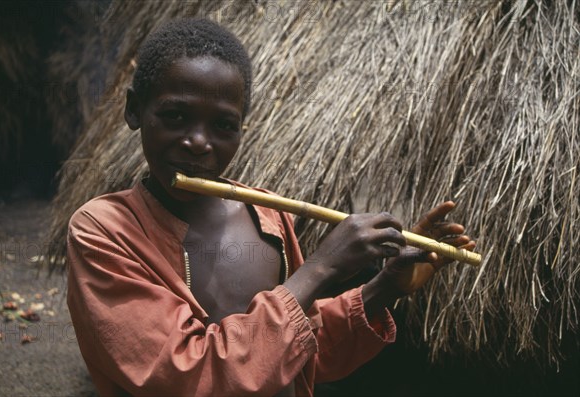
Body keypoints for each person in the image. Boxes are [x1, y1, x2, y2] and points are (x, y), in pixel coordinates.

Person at [66, 18, 475, 397]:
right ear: (134, 109)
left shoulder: (267, 218)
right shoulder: (103, 231)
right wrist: (320, 269)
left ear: (243, 127)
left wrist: (384, 287)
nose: (198, 142)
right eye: (175, 116)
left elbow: (299, 351)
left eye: (223, 125)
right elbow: (184, 375)